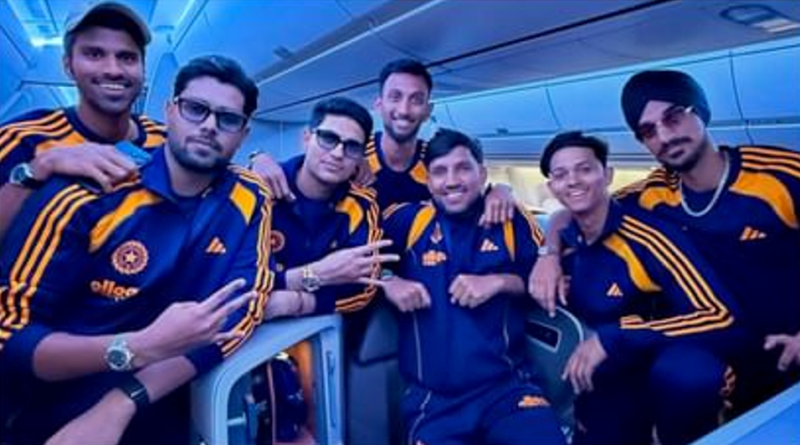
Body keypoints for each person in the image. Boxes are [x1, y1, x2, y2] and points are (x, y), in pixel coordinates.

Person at [0, 55, 274, 445]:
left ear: (243, 134)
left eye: (228, 119)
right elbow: (10, 335)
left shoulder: (250, 197)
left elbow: (238, 313)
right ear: (170, 111)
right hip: (52, 418)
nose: (210, 126)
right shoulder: (88, 192)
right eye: (196, 109)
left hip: (161, 409)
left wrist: (122, 401)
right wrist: (135, 348)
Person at [530, 69, 800, 415]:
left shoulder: (780, 175)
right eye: (648, 131)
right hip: (718, 347)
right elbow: (577, 205)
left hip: (788, 348)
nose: (665, 136)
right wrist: (548, 254)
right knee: (679, 376)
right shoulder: (653, 192)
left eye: (673, 118)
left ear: (700, 111)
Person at [540, 131, 745, 445]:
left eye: (585, 169)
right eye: (561, 174)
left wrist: (618, 336)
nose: (573, 181)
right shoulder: (565, 241)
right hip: (607, 377)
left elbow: (721, 316)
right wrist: (547, 254)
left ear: (608, 175)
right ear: (552, 187)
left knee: (689, 377)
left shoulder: (648, 239)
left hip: (659, 364)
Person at [376, 128, 565, 445]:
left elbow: (539, 281)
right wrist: (388, 281)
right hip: (433, 401)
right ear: (428, 182)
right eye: (440, 171)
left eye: (463, 168)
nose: (452, 180)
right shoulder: (406, 220)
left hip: (508, 389)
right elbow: (359, 258)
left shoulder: (511, 219)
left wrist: (498, 282)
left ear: (483, 174)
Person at [250, 58, 516, 223]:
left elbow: (467, 189)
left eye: (416, 100)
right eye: (395, 97)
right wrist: (257, 158)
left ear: (428, 110)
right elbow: (309, 165)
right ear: (379, 105)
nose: (404, 110)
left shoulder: (436, 161)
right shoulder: (353, 152)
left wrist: (502, 190)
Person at [0, 2, 165, 244]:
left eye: (127, 57)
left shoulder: (168, 143)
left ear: (142, 68)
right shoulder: (21, 138)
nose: (113, 70)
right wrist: (41, 166)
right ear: (68, 66)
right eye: (95, 54)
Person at [264, 96, 398, 317]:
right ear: (306, 139)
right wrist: (316, 275)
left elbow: (363, 288)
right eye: (328, 138)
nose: (337, 154)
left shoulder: (362, 205)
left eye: (352, 147)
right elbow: (235, 276)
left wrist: (298, 302)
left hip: (318, 328)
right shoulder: (261, 191)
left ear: (361, 158)